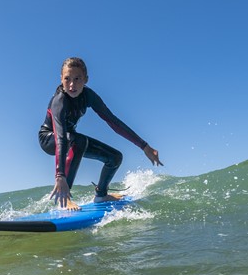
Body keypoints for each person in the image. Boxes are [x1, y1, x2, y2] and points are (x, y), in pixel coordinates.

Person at [38, 57, 163, 210]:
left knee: (115, 157)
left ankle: (101, 195)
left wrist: (144, 146)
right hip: (50, 139)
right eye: (67, 79)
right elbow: (61, 137)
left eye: (77, 79)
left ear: (86, 80)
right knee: (78, 141)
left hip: (72, 140)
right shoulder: (60, 101)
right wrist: (60, 175)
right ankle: (65, 199)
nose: (72, 84)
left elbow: (113, 122)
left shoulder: (89, 96)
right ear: (61, 79)